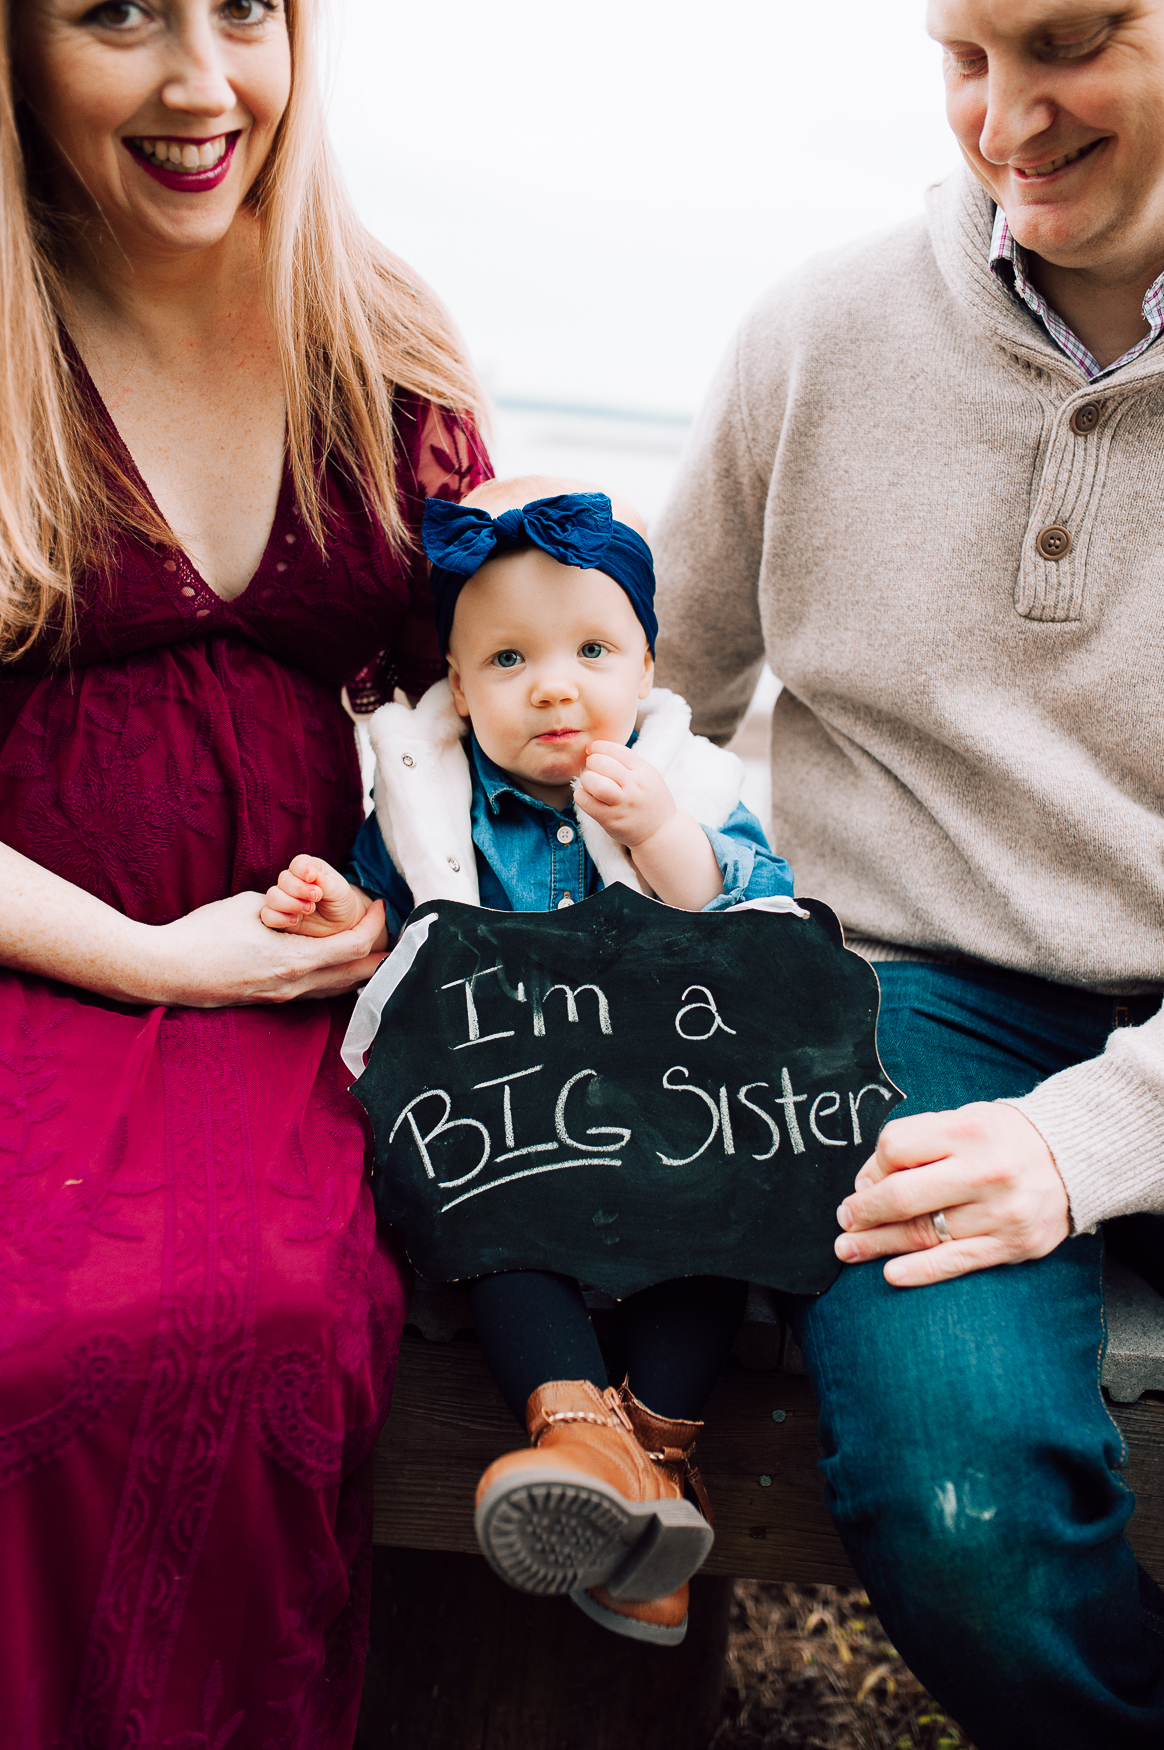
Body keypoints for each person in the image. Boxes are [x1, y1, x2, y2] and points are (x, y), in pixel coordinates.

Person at [651, 2, 1164, 1744]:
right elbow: (649, 679)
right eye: (960, 54)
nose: (1002, 119)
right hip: (908, 998)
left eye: (1068, 43)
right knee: (966, 1514)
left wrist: (1087, 1142)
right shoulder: (817, 330)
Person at [0, 0, 489, 1741]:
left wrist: (411, 865)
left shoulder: (375, 334)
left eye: (247, 9)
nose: (204, 82)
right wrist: (149, 955)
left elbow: (467, 710)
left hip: (299, 978)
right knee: (47, 1335)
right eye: (119, 12)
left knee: (273, 1316)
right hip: (36, 960)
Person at [261, 474, 795, 1647]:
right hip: (504, 1106)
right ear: (455, 686)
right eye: (506, 661)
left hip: (659, 1103)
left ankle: (651, 1451)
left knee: (712, 1218)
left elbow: (761, 922)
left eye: (592, 648)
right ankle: (582, 1442)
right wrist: (337, 904)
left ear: (648, 670)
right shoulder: (425, 796)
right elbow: (396, 924)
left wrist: (661, 838)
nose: (552, 682)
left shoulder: (692, 785)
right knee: (480, 1211)